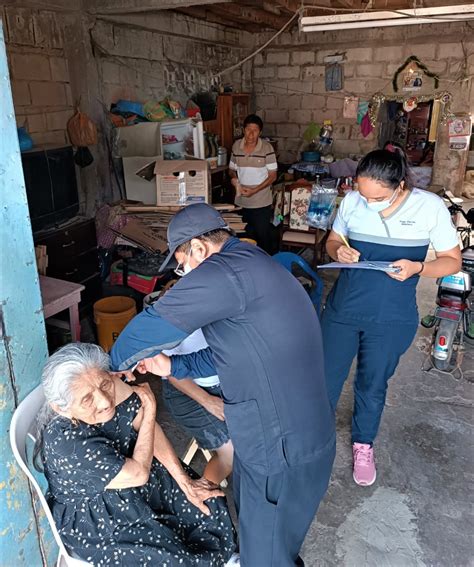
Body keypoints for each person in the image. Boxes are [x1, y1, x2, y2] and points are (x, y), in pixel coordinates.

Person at [110, 203, 336, 567]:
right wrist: (172, 364)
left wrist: (110, 369)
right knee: (261, 536)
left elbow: (149, 326)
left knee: (267, 557)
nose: (183, 275)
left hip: (280, 445)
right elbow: (232, 354)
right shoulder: (254, 263)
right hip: (282, 435)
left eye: (182, 266)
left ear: (199, 249)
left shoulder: (225, 272)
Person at [321, 147, 461, 487]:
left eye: (378, 197)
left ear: (399, 185)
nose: (368, 202)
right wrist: (338, 249)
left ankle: (363, 444)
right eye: (363, 193)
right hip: (343, 309)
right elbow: (332, 240)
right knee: (324, 379)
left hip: (391, 316)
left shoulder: (429, 206)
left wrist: (420, 267)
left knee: (372, 384)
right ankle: (315, 442)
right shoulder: (353, 201)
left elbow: (452, 261)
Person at [36, 342, 238, 567]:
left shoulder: (100, 382)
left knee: (208, 504)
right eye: (87, 399)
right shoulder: (65, 442)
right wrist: (151, 408)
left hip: (140, 485)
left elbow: (142, 418)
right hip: (101, 518)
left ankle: (223, 560)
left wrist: (184, 481)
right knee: (172, 559)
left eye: (104, 385)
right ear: (61, 408)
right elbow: (139, 471)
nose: (104, 401)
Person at [162, 326, 233, 485]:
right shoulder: (169, 316)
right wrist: (209, 401)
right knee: (230, 455)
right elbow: (169, 371)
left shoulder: (229, 306)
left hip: (226, 385)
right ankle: (205, 502)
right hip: (186, 392)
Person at [228, 114, 277, 253]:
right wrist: (234, 179)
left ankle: (267, 267)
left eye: (255, 130)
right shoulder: (236, 146)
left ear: (260, 132)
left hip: (261, 203)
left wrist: (254, 191)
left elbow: (273, 176)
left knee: (262, 238)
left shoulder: (267, 148)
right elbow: (231, 170)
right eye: (248, 129)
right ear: (243, 130)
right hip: (241, 202)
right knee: (243, 237)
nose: (251, 134)